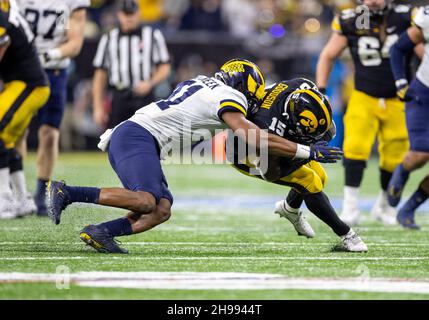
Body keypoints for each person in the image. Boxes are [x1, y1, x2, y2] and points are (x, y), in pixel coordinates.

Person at [47, 59, 343, 254]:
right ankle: (68, 191)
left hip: (141, 139)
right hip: (138, 136)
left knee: (162, 209)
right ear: (243, 87)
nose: (251, 103)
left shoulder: (202, 83)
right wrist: (307, 150)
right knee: (147, 200)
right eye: (250, 96)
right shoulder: (229, 96)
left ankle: (100, 232)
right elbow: (252, 135)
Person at [229, 78, 367, 252]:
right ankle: (348, 235)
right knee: (309, 181)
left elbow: (328, 130)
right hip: (246, 152)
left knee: (321, 178)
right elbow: (270, 172)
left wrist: (306, 146)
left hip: (277, 140)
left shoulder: (304, 86)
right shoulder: (266, 123)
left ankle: (289, 208)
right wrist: (306, 151)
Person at [316, 0, 420, 226]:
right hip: (364, 95)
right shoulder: (350, 19)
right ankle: (350, 207)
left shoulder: (406, 16)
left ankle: (384, 206)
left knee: (395, 155)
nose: (373, 1)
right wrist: (321, 90)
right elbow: (328, 55)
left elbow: (423, 52)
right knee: (355, 147)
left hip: (399, 97)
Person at [17, 0, 90, 216]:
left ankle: (41, 192)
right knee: (17, 130)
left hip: (53, 71)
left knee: (49, 133)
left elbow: (74, 44)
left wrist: (46, 56)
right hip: (20, 70)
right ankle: (17, 192)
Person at [0, 0, 50, 219]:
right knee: (6, 139)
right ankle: (22, 199)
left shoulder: (3, 16)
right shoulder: (7, 7)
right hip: (23, 83)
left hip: (28, 84)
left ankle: (4, 199)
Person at [92, 0, 171, 130]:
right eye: (125, 14)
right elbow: (100, 75)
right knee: (116, 139)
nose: (129, 18)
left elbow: (164, 67)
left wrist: (150, 83)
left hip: (145, 97)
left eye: (132, 14)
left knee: (148, 137)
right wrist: (97, 106)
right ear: (119, 15)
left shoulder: (152, 35)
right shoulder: (109, 38)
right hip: (119, 96)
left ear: (138, 14)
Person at [388, 5, 429, 229]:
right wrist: (400, 81)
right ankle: (402, 171)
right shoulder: (427, 17)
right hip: (425, 94)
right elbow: (398, 49)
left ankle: (409, 209)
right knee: (421, 154)